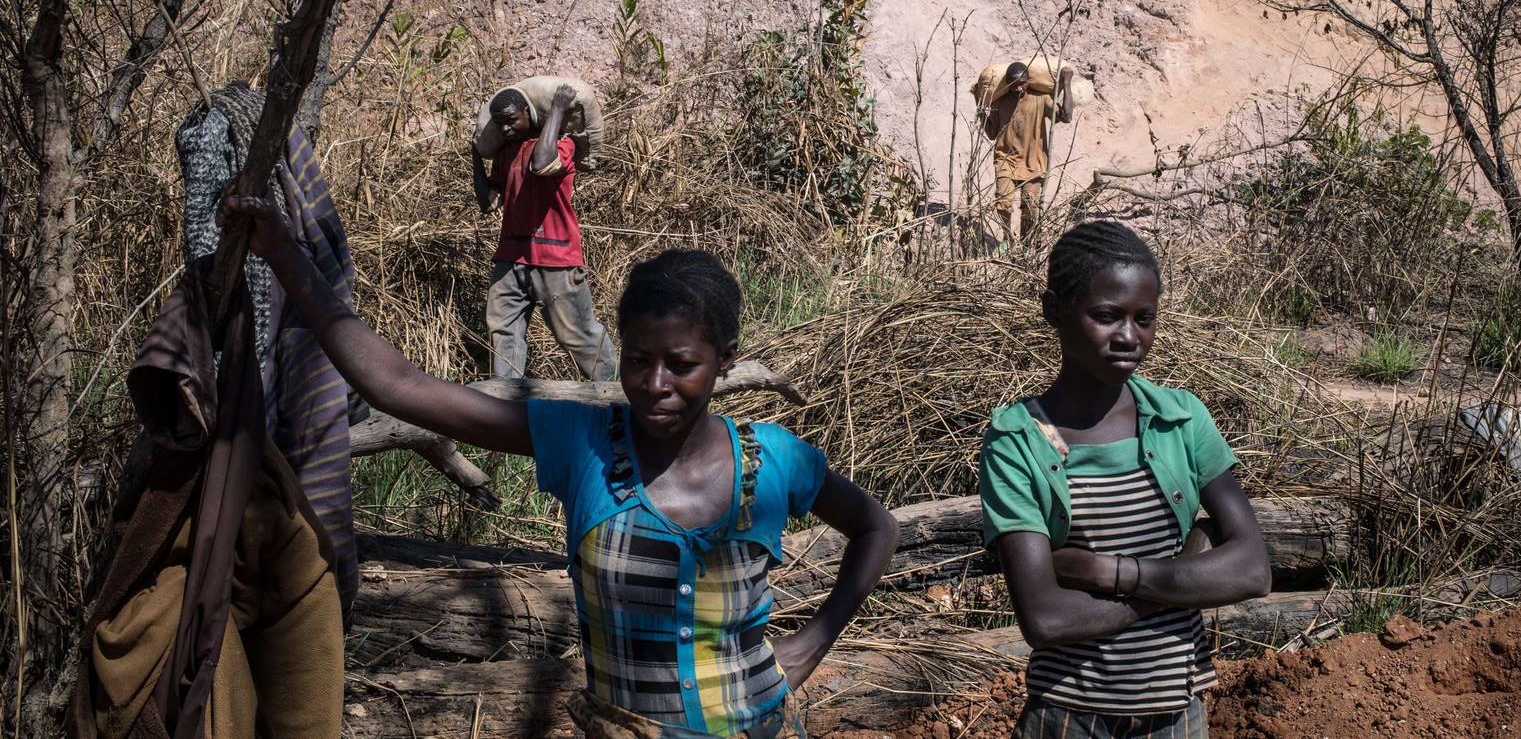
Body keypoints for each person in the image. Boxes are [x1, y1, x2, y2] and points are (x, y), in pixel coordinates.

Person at [220, 192, 900, 738]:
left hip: (762, 722)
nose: (656, 383)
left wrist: (815, 639)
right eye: (637, 359)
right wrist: (283, 253)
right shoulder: (582, 443)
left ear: (724, 360)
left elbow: (877, 527)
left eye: (683, 364)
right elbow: (399, 386)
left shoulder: (775, 459)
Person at [978, 221, 1270, 737]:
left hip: (1179, 715)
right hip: (1069, 715)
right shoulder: (1017, 441)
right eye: (1107, 316)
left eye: (1145, 318)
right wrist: (1184, 578)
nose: (1129, 337)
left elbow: (1251, 571)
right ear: (1055, 311)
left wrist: (1113, 572)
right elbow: (1046, 619)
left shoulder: (1180, 419)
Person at [471, 82, 618, 381]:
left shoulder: (564, 144)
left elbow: (541, 164)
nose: (506, 130)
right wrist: (475, 153)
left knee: (578, 337)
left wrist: (558, 109)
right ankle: (505, 410)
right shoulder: (506, 154)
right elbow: (489, 203)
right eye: (500, 125)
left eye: (512, 120)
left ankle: (621, 398)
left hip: (556, 259)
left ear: (529, 113)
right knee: (504, 336)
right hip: (511, 260)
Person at [982, 62, 1072, 242]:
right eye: (1013, 84)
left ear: (1029, 81)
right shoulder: (999, 102)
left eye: (1022, 83)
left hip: (1034, 161)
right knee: (1002, 204)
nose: (1018, 88)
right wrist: (981, 113)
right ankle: (1008, 238)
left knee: (1030, 209)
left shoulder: (1041, 99)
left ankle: (1026, 243)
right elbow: (992, 134)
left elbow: (1066, 116)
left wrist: (1067, 83)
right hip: (1005, 159)